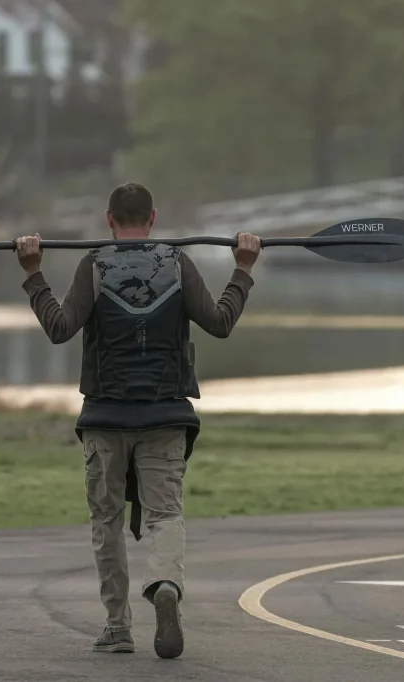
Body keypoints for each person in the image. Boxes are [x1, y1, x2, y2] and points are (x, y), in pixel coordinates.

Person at [15, 183, 260, 659]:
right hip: (166, 417)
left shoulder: (94, 265)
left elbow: (60, 328)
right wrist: (244, 269)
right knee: (166, 515)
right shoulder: (177, 263)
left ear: (109, 219)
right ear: (152, 219)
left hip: (105, 418)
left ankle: (117, 627)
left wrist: (33, 274)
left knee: (106, 520)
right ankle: (165, 583)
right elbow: (221, 321)